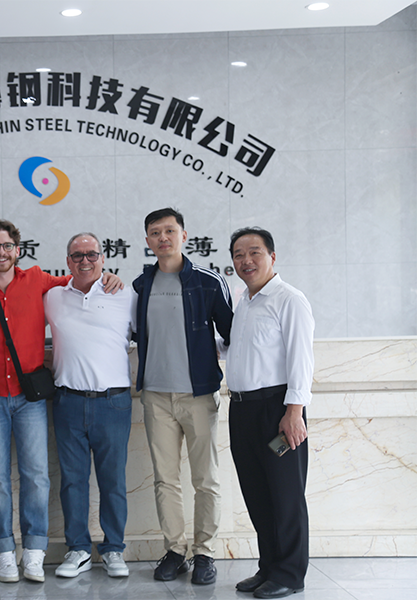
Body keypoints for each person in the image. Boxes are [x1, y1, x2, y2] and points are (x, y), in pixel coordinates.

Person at [0, 218, 121, 583]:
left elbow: (81, 280)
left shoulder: (38, 280)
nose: (1, 253)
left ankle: (33, 552)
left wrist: (108, 277)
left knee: (36, 477)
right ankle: (4, 552)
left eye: (7, 246)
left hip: (29, 398)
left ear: (18, 250)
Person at [131, 208, 232, 585]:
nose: (163, 238)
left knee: (205, 479)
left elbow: (234, 334)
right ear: (147, 240)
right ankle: (175, 550)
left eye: (169, 231)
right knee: (165, 479)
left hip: (199, 395)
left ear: (184, 236)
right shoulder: (141, 285)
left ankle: (205, 552)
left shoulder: (208, 281)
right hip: (156, 396)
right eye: (155, 233)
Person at [226, 227, 314, 599]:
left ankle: (290, 574)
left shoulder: (289, 299)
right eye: (238, 254)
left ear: (272, 257)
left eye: (254, 252)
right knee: (258, 494)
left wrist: (294, 412)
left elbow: (301, 359)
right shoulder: (244, 303)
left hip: (277, 411)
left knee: (285, 494)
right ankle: (269, 568)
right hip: (242, 410)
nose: (246, 260)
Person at [43, 233, 137, 579]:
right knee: (72, 481)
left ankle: (113, 549)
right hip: (67, 401)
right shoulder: (53, 296)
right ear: (68, 261)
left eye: (92, 254)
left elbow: (148, 335)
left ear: (103, 257)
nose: (85, 261)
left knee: (113, 481)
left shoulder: (124, 295)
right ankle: (79, 549)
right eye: (77, 255)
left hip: (113, 403)